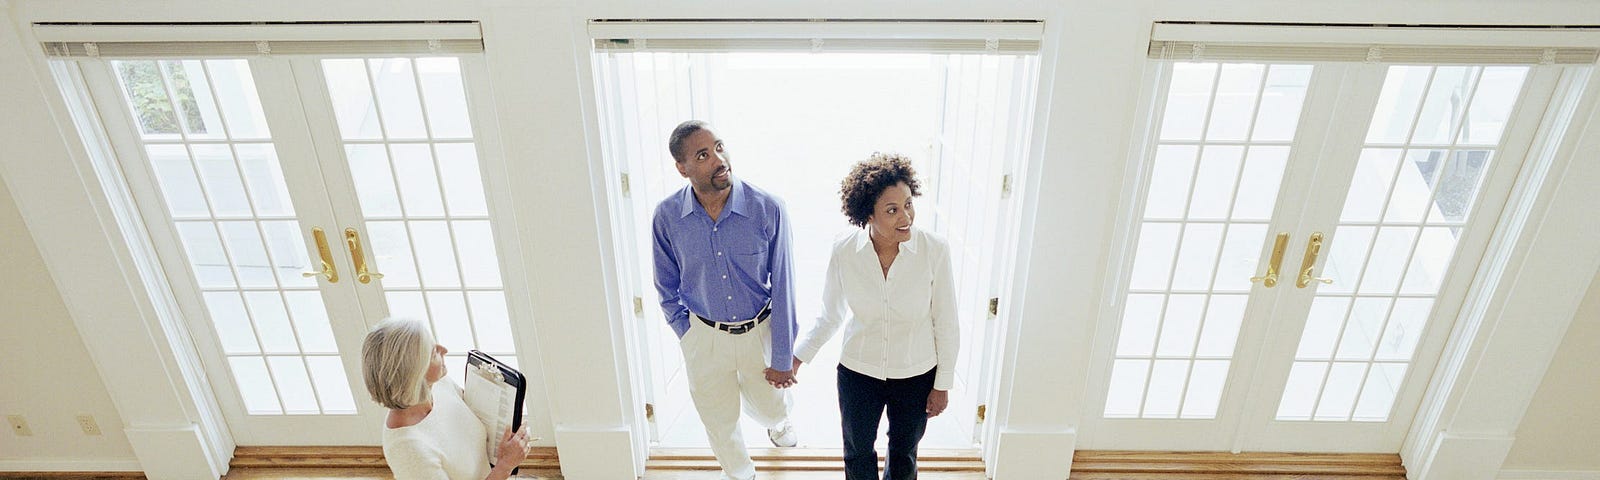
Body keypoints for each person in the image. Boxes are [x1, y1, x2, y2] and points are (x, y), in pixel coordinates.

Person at [791, 153, 960, 480]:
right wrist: (798, 358)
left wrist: (943, 384)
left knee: (903, 454)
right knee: (856, 452)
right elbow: (831, 314)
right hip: (858, 372)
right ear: (868, 214)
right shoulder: (844, 250)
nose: (906, 216)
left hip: (916, 374)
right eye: (892, 210)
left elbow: (947, 322)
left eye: (909, 204)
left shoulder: (934, 250)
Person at [652, 120, 800, 480]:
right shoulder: (668, 217)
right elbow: (665, 285)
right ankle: (740, 473)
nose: (720, 159)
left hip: (758, 332)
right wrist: (687, 333)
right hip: (704, 336)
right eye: (704, 155)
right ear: (682, 168)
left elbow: (783, 285)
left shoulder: (768, 209)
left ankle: (777, 425)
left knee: (770, 406)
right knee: (718, 420)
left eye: (720, 147)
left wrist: (782, 355)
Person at [361, 317, 532, 480]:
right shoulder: (408, 448)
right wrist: (505, 465)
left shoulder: (437, 385)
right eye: (433, 352)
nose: (444, 350)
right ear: (416, 373)